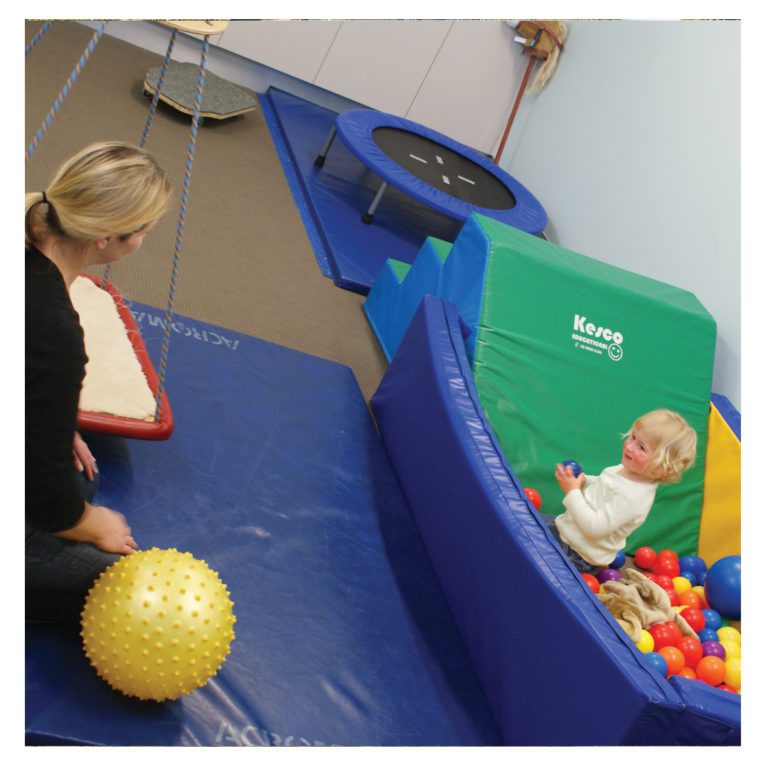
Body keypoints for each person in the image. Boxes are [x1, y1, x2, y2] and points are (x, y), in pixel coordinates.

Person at [26, 141, 172, 623]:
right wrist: (90, 526)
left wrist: (53, 424)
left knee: (78, 480)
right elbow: (50, 501)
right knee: (110, 578)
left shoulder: (27, 219)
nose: (143, 240)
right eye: (143, 232)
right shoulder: (55, 330)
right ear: (107, 238)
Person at [541, 409, 698, 575]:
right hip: (568, 530)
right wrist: (583, 480)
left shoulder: (633, 497)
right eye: (633, 437)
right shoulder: (632, 471)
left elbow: (594, 527)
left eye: (642, 447)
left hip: (576, 553)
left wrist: (572, 491)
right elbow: (605, 483)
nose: (629, 446)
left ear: (661, 467)